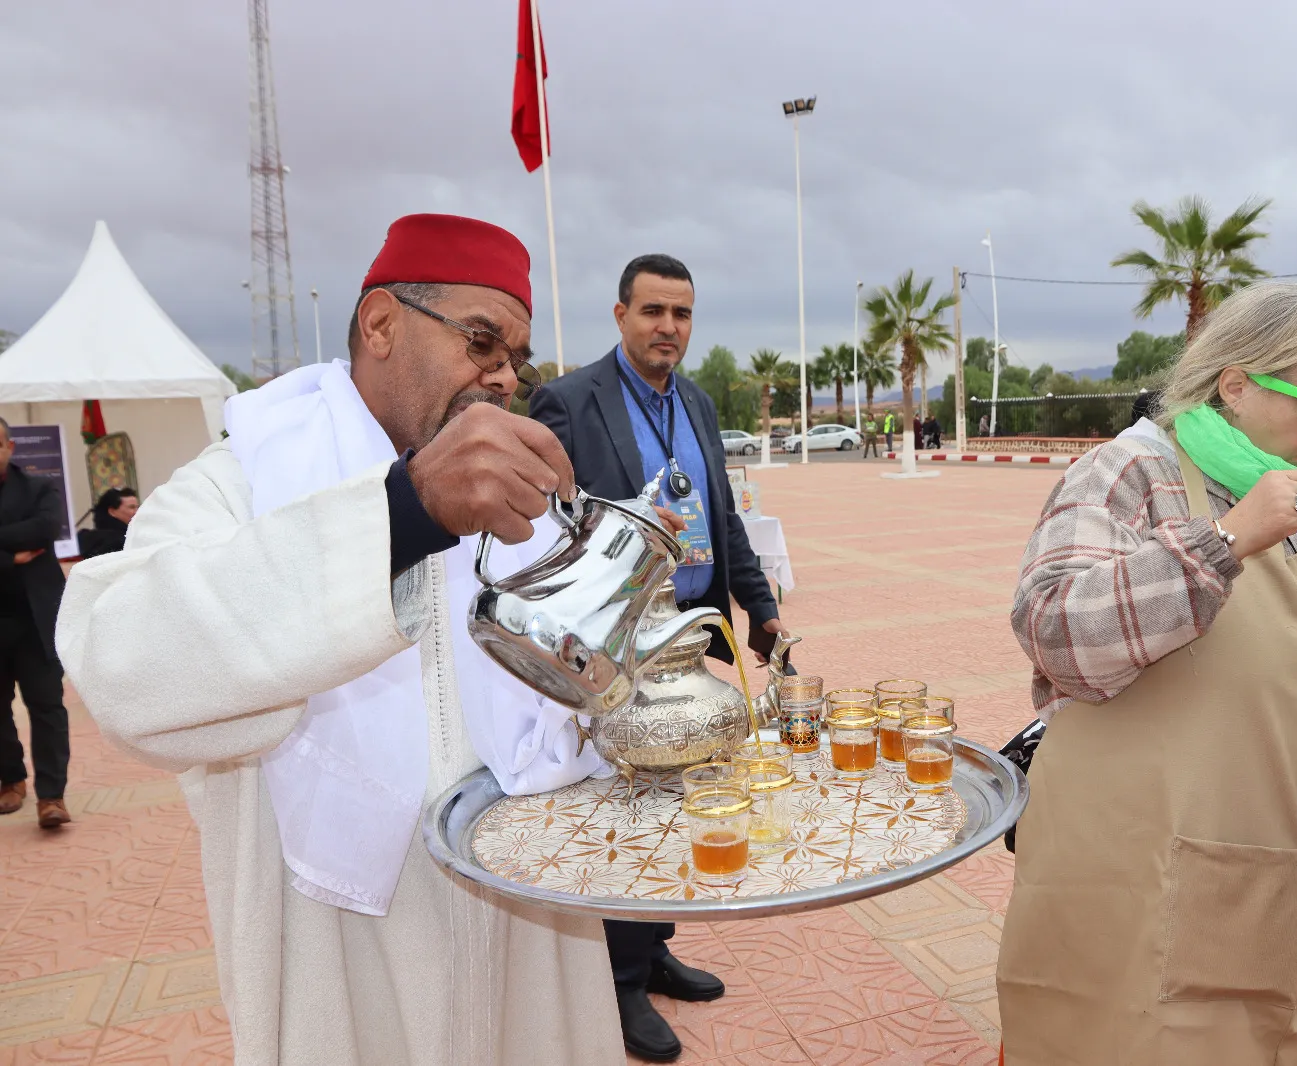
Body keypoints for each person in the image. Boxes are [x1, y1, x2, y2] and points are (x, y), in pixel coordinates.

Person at [56, 214, 624, 1064]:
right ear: (381, 324)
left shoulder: (524, 510)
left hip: (530, 953)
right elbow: (118, 663)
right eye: (481, 342)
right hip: (339, 961)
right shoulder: (244, 478)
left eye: (516, 357)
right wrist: (403, 515)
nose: (505, 376)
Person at [996, 284, 1297, 1066]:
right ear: (1235, 384)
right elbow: (1056, 634)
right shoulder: (1128, 472)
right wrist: (1225, 539)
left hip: (1275, 887)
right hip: (1134, 879)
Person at [528, 253, 785, 1063]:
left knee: (674, 799)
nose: (668, 327)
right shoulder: (570, 401)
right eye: (652, 311)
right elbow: (547, 526)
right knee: (625, 810)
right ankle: (620, 982)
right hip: (616, 644)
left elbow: (724, 518)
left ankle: (657, 946)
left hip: (690, 639)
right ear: (620, 316)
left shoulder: (698, 404)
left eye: (681, 313)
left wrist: (761, 610)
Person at [0, 419, 72, 828]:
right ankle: (10, 780)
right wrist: (11, 556)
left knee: (47, 707)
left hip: (35, 620)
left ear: (9, 447)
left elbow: (46, 528)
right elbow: (28, 535)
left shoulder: (39, 488)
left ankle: (52, 795)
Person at [76, 487, 139, 558]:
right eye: (132, 507)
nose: (137, 511)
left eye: (137, 507)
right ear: (112, 511)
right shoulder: (121, 541)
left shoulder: (86, 538)